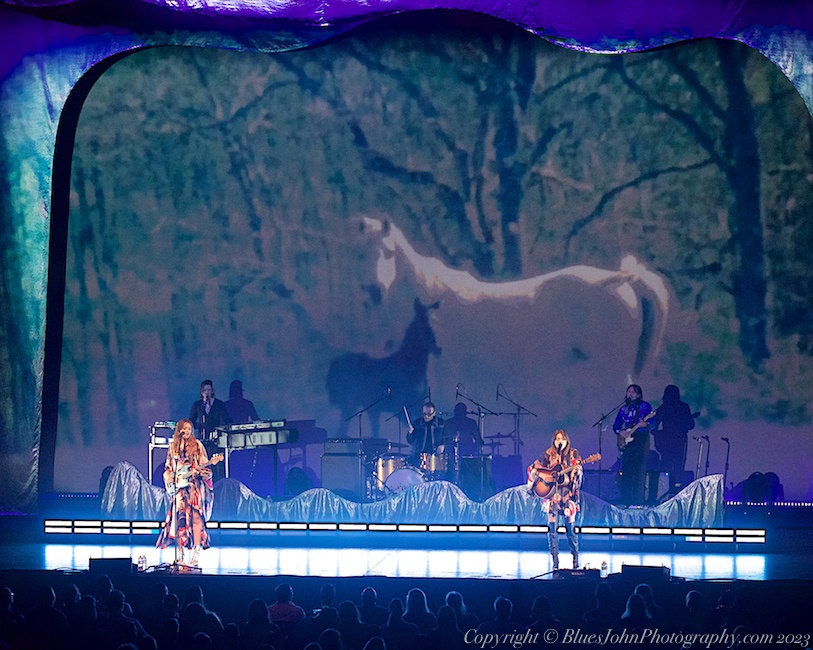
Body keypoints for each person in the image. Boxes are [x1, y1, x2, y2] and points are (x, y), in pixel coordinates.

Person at [156, 419, 216, 567]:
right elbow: (168, 467)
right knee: (180, 520)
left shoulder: (198, 446)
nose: (187, 431)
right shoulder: (173, 447)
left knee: (196, 519)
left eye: (189, 428)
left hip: (194, 487)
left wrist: (206, 473)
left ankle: (196, 553)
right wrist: (168, 476)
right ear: (179, 430)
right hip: (179, 489)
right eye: (184, 428)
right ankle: (180, 554)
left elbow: (205, 468)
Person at [528, 429, 582, 570]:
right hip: (552, 495)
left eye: (562, 439)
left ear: (566, 440)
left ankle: (575, 558)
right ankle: (555, 562)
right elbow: (534, 468)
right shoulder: (548, 453)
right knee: (553, 530)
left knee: (570, 529)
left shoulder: (573, 454)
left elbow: (578, 473)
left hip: (567, 495)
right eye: (557, 439)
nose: (560, 441)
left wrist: (576, 471)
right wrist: (544, 476)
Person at [613, 384, 654, 505]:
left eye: (633, 392)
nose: (630, 394)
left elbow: (653, 421)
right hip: (628, 440)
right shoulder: (623, 409)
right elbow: (616, 425)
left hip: (641, 440)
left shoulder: (645, 406)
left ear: (638, 394)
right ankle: (625, 500)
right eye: (628, 391)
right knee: (627, 470)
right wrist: (621, 432)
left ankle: (637, 502)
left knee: (639, 471)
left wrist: (645, 424)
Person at [653, 384, 695, 495]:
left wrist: (658, 435)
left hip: (667, 441)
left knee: (666, 465)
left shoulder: (663, 407)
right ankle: (675, 491)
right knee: (678, 466)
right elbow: (691, 425)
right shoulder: (683, 407)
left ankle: (662, 491)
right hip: (679, 441)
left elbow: (654, 426)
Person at [190, 379, 230, 481]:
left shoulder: (219, 404)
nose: (207, 392)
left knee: (216, 464)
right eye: (205, 390)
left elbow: (226, 419)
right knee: (202, 463)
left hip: (216, 439)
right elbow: (191, 420)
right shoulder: (197, 405)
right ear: (201, 392)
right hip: (202, 439)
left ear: (212, 391)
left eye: (209, 390)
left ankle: (218, 483)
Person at [406, 402, 445, 471]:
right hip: (420, 456)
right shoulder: (417, 423)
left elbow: (448, 438)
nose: (426, 416)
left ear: (434, 413)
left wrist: (443, 445)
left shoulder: (441, 423)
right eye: (424, 414)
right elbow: (410, 440)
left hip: (436, 456)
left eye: (429, 414)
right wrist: (410, 433)